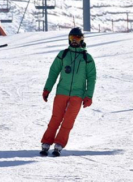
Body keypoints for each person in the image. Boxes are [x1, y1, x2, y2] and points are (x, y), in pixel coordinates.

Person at [40, 27, 97, 156]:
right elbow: (53, 72)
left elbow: (91, 78)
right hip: (62, 92)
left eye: (77, 38)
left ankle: (59, 144)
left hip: (78, 94)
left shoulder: (87, 58)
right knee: (56, 118)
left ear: (82, 39)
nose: (74, 41)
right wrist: (47, 89)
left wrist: (89, 96)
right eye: (72, 38)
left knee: (68, 120)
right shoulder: (63, 54)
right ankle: (46, 143)